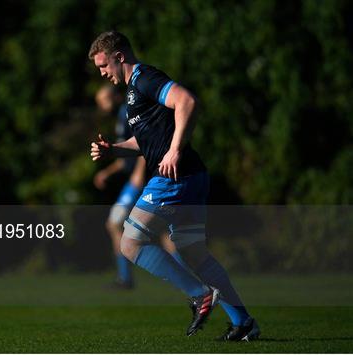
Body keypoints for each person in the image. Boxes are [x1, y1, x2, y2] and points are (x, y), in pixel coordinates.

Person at [88, 30, 260, 341]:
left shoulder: (144, 78)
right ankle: (244, 322)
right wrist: (114, 149)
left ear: (119, 57)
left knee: (129, 241)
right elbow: (145, 142)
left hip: (174, 177)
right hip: (192, 176)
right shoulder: (132, 94)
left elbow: (186, 100)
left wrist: (175, 149)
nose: (102, 73)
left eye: (103, 66)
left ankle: (199, 295)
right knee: (194, 253)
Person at [94, 84, 147, 289]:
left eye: (105, 99)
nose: (103, 105)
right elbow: (125, 155)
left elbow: (143, 142)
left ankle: (125, 278)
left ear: (116, 96)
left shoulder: (127, 113)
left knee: (114, 223)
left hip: (139, 180)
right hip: (135, 179)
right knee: (164, 232)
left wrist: (139, 173)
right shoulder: (120, 116)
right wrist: (106, 173)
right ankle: (193, 282)